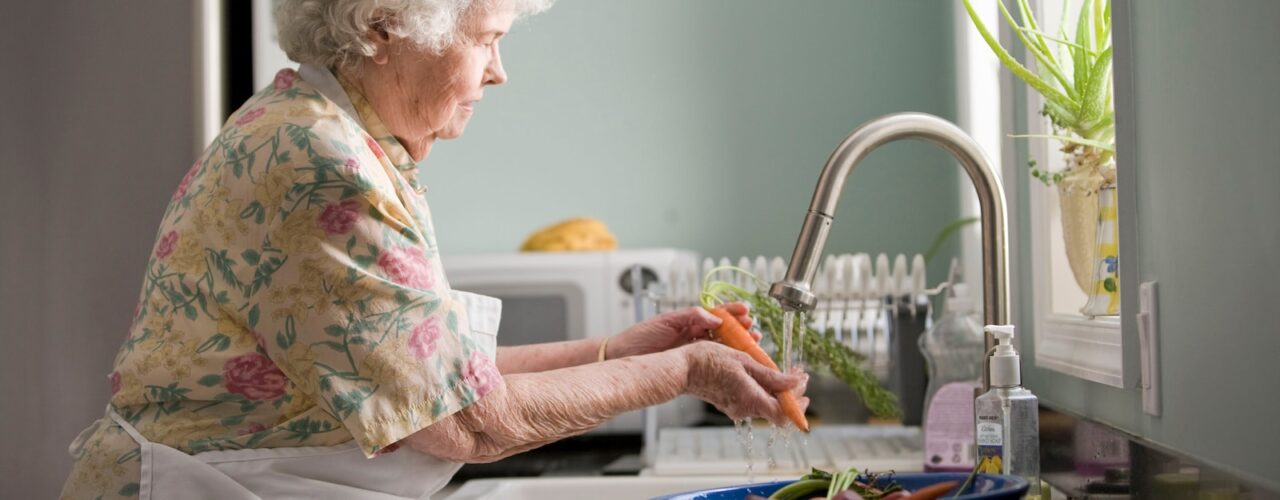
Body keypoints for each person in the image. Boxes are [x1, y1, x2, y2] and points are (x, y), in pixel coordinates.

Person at [60, 0, 808, 498]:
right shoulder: (320, 163)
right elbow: (471, 421)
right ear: (384, 25)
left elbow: (430, 380)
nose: (498, 71)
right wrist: (683, 369)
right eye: (486, 38)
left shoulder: (327, 132)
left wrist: (620, 350)